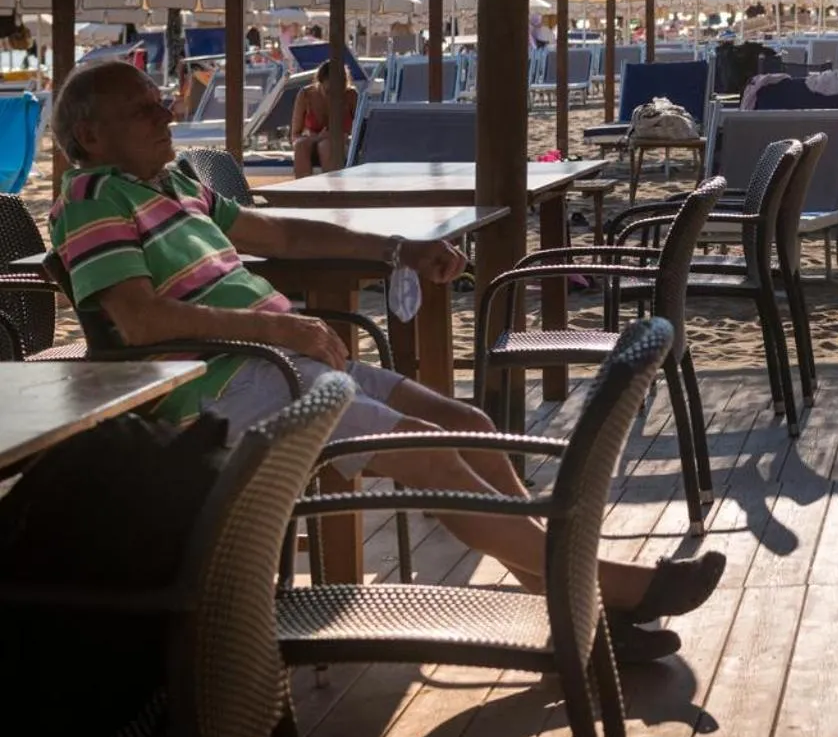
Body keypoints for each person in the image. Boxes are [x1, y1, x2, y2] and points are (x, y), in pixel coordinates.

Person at [47, 61, 719, 659]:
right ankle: (603, 582)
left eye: (162, 100)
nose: (167, 112)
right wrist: (281, 332)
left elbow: (277, 231)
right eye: (144, 108)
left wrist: (393, 248)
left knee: (468, 423)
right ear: (92, 138)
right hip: (221, 385)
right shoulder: (92, 197)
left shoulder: (173, 182)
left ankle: (569, 606)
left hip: (280, 359)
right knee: (426, 450)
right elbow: (139, 322)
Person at [290, 60, 359, 178]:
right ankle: (302, 192)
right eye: (329, 91)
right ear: (319, 84)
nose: (333, 96)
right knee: (300, 145)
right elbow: (295, 135)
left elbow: (361, 134)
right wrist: (317, 138)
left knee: (326, 146)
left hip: (342, 143)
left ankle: (331, 192)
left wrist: (343, 137)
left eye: (338, 92)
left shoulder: (351, 96)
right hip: (313, 141)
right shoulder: (306, 95)